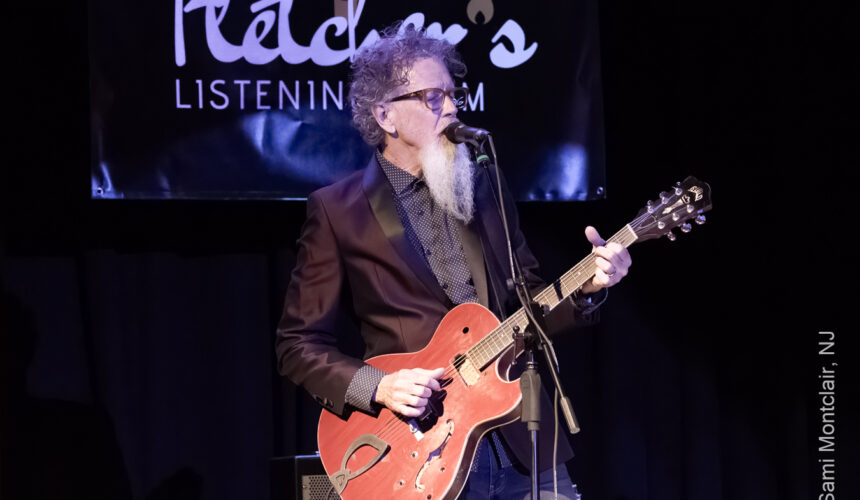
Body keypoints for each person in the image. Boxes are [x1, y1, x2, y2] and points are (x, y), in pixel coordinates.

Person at [276, 23, 631, 499]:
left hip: (521, 436)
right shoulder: (338, 210)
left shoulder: (484, 185)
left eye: (453, 94)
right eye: (432, 97)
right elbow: (298, 345)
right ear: (385, 115)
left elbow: (528, 301)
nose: (451, 107)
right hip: (423, 450)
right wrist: (379, 386)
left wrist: (588, 288)